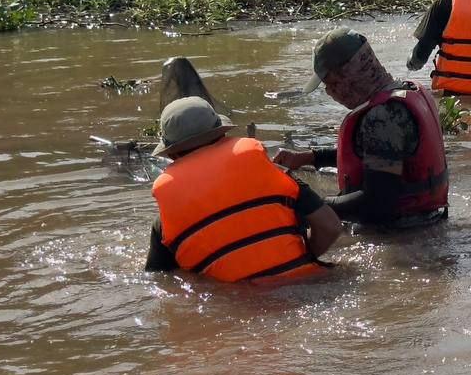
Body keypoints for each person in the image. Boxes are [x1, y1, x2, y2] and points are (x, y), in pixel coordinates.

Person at [145, 97, 341, 282]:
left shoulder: (165, 220)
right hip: (305, 284)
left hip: (235, 300)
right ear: (222, 135)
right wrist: (303, 258)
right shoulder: (275, 175)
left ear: (172, 155)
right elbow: (330, 226)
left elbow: (161, 281)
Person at [273, 28, 449, 228]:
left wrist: (312, 207)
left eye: (332, 83)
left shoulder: (381, 117)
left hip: (403, 236)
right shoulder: (406, 90)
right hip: (429, 224)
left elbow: (376, 205)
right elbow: (380, 155)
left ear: (350, 75)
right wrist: (309, 157)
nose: (330, 92)